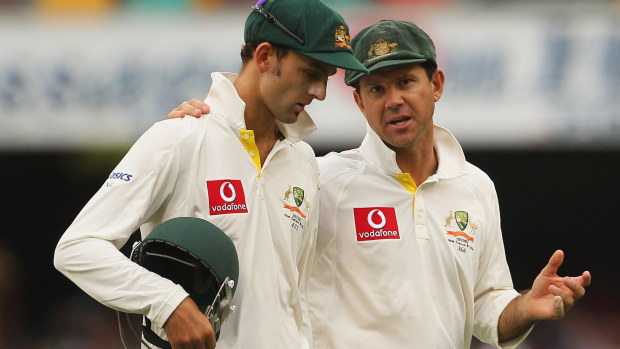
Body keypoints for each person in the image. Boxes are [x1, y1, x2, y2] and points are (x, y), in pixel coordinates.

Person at [170, 19, 591, 349]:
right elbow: (246, 190)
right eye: (376, 88)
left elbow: (485, 305)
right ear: (359, 101)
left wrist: (525, 307)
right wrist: (208, 127)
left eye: (406, 82)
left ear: (436, 85)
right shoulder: (321, 178)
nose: (393, 100)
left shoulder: (475, 187)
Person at [53, 0, 368, 348]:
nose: (320, 93)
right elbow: (78, 249)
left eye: (325, 79)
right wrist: (168, 303)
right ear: (264, 57)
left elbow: (297, 300)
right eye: (311, 73)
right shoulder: (179, 137)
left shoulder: (303, 160)